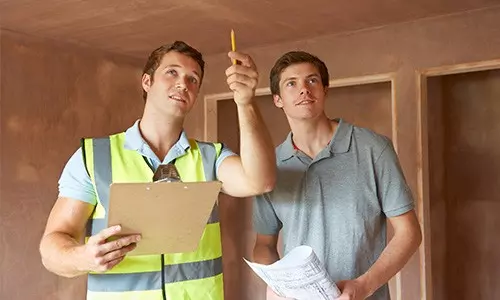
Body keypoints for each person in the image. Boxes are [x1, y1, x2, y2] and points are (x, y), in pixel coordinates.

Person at [39, 41, 276, 300]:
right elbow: (52, 247)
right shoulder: (94, 157)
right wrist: (82, 257)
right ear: (147, 82)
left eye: (193, 79)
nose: (183, 83)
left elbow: (259, 182)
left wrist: (246, 103)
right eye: (171, 72)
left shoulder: (212, 157)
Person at [252, 51, 422, 300]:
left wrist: (364, 286)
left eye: (312, 80)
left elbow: (409, 233)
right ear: (278, 99)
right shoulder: (270, 166)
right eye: (292, 83)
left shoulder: (373, 149)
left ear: (325, 89)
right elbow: (264, 245)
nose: (304, 90)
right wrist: (277, 286)